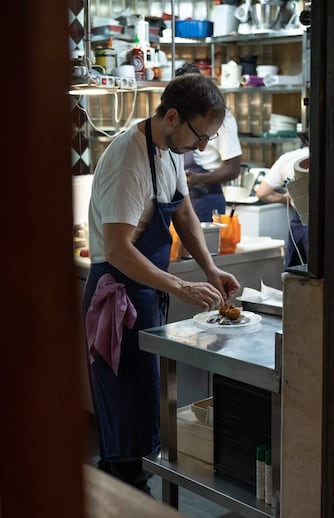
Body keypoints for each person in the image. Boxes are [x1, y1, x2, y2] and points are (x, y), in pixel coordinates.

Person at [82, 74, 241, 493]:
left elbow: (184, 213)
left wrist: (210, 270)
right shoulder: (128, 159)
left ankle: (129, 485)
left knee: (145, 402)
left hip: (146, 293)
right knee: (125, 404)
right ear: (172, 117)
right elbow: (117, 249)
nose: (203, 148)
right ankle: (125, 492)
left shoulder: (169, 152)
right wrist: (180, 287)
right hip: (117, 293)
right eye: (199, 136)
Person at [256, 134, 334, 268]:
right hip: (328, 226)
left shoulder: (287, 159)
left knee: (297, 275)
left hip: (299, 226)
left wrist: (287, 199)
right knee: (325, 275)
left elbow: (262, 193)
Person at [175, 63, 242, 222]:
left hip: (205, 199)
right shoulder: (176, 117)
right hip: (176, 199)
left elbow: (233, 168)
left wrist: (198, 179)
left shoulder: (221, 118)